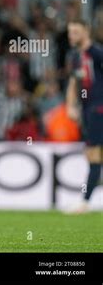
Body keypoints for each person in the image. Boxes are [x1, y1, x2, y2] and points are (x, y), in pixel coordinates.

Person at [65, 19, 103, 214]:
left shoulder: (97, 53)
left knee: (93, 152)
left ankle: (85, 202)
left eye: (76, 32)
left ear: (86, 31)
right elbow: (73, 81)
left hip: (99, 108)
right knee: (92, 153)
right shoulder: (74, 56)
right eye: (70, 32)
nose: (71, 36)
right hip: (88, 110)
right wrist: (70, 105)